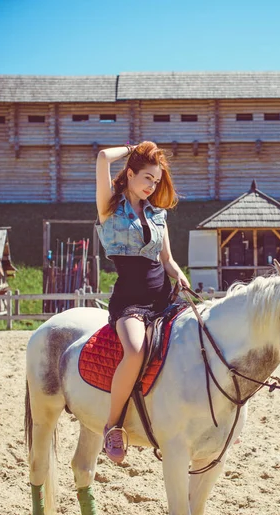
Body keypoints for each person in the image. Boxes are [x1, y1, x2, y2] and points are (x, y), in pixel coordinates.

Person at [96, 141, 189, 463]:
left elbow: (167, 260)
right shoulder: (109, 206)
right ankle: (113, 425)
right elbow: (103, 157)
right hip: (130, 299)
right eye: (148, 178)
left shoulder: (159, 215)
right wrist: (133, 147)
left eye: (157, 180)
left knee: (200, 339)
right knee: (135, 350)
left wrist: (180, 275)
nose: (153, 185)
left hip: (164, 294)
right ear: (131, 174)